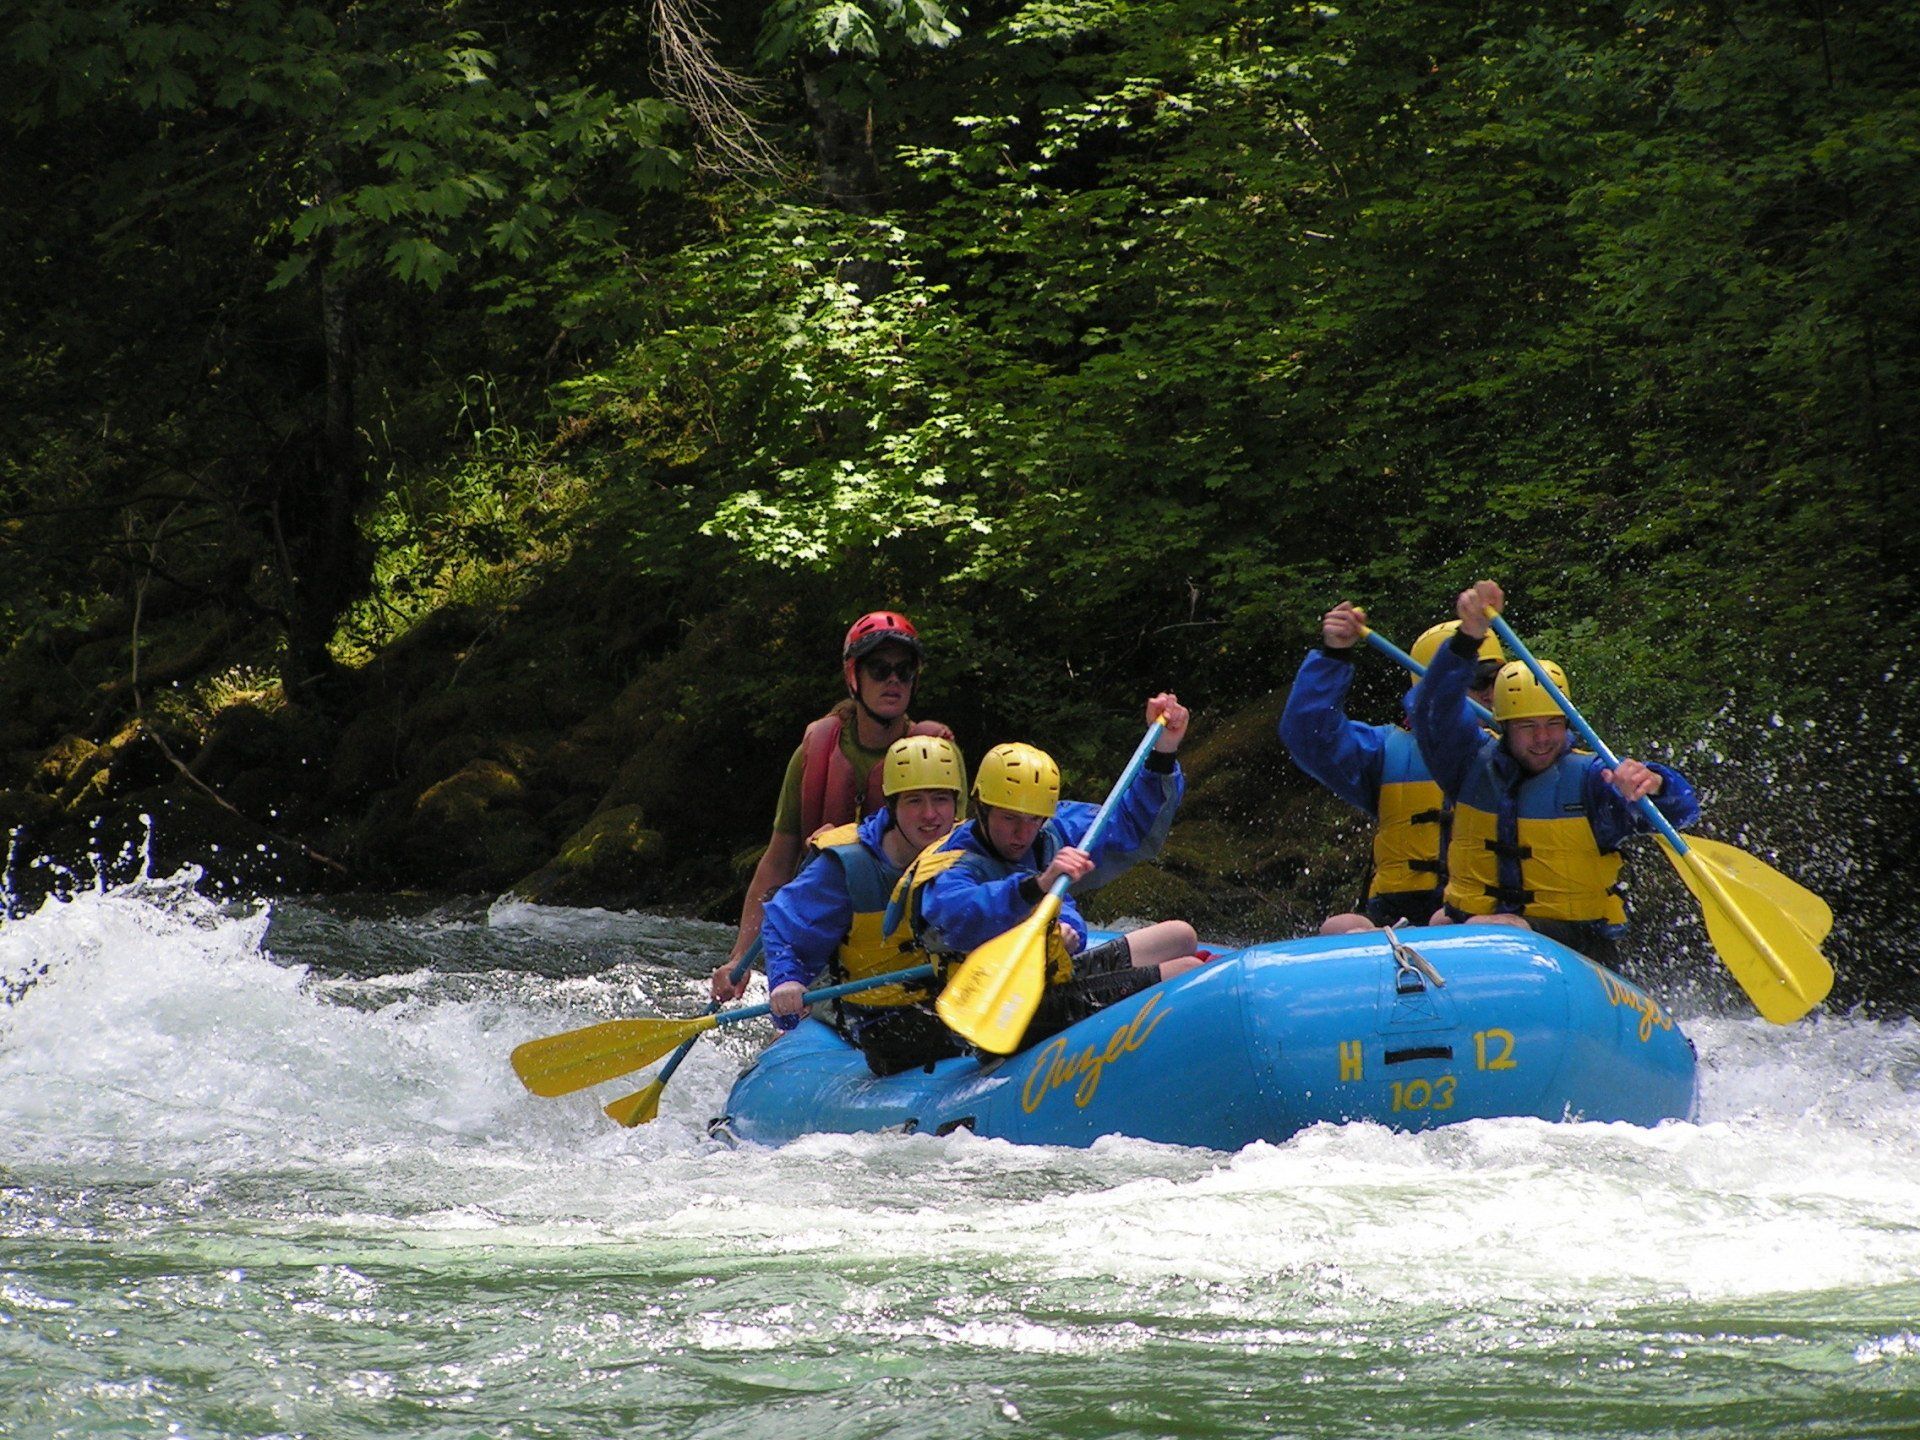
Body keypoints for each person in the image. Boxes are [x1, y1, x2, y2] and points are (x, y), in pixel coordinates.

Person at [1410, 579, 1700, 965]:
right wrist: (1468, 639)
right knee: (1440, 923)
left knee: (1491, 927)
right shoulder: (1466, 765)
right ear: (1504, 727)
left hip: (1576, 948)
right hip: (1482, 936)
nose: (1543, 738)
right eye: (1528, 727)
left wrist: (1657, 783)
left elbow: (1682, 811)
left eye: (1553, 724)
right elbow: (1433, 711)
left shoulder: (1594, 780)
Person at [903, 694, 1205, 1051]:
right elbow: (957, 917)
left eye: (1033, 819)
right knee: (1185, 970)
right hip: (1004, 1008)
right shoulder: (951, 862)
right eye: (1010, 818)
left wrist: (1163, 752)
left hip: (1055, 975)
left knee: (1180, 936)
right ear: (980, 808)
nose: (1022, 833)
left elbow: (1131, 826)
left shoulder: (1050, 832)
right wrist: (1037, 886)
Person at [713, 610, 964, 1001]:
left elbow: (963, 855)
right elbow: (777, 863)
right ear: (854, 677)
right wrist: (738, 957)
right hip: (830, 932)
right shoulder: (815, 753)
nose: (893, 680)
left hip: (908, 935)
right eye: (879, 669)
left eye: (904, 671)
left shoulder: (936, 755)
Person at [1279, 602, 1504, 933]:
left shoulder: (1521, 750)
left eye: (1497, 679)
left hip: (1481, 910)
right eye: (1478, 680)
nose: (1490, 692)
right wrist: (1333, 655)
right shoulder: (1384, 752)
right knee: (1340, 928)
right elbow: (1308, 734)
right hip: (1396, 916)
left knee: (1449, 921)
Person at [762, 735, 968, 1076]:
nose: (930, 814)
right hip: (874, 1013)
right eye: (914, 801)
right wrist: (785, 980)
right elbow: (783, 928)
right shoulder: (848, 865)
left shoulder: (974, 851)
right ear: (892, 807)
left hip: (953, 1000)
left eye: (940, 800)